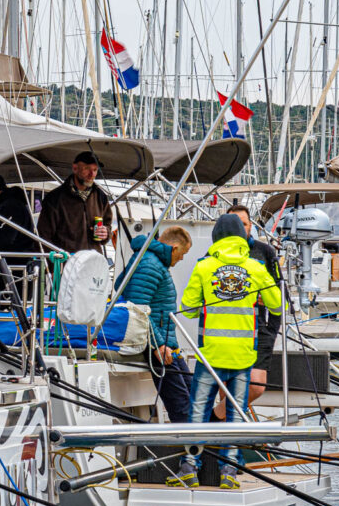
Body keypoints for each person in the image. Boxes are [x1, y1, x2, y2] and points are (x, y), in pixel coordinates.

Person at [169, 214, 282, 490]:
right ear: (242, 238)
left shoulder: (204, 266)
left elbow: (190, 306)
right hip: (243, 355)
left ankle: (189, 469)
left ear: (216, 237)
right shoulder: (255, 268)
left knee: (198, 411)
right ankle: (229, 474)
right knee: (235, 413)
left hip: (210, 354)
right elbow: (278, 306)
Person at [113, 226, 193, 423]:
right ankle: (192, 451)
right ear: (174, 248)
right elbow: (137, 309)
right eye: (183, 254)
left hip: (165, 342)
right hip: (158, 345)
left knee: (191, 394)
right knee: (182, 405)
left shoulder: (152, 261)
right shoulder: (150, 264)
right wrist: (157, 345)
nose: (182, 258)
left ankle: (197, 449)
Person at [208, 204, 281, 417]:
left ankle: (214, 419)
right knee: (226, 388)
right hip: (225, 330)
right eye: (234, 223)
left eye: (244, 223)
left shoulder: (265, 252)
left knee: (256, 386)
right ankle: (228, 435)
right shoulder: (212, 255)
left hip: (258, 328)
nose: (240, 227)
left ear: (250, 226)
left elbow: (279, 293)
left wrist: (271, 328)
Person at [0, 171, 38, 299]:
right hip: (9, 267)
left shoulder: (11, 206)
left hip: (14, 269)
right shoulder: (7, 205)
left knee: (4, 301)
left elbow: (2, 240)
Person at [36, 151, 112, 253]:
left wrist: (106, 233)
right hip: (66, 263)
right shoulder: (55, 199)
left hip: (93, 263)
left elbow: (107, 225)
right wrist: (54, 263)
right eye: (87, 169)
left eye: (95, 170)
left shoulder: (101, 196)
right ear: (75, 168)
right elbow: (43, 237)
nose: (92, 174)